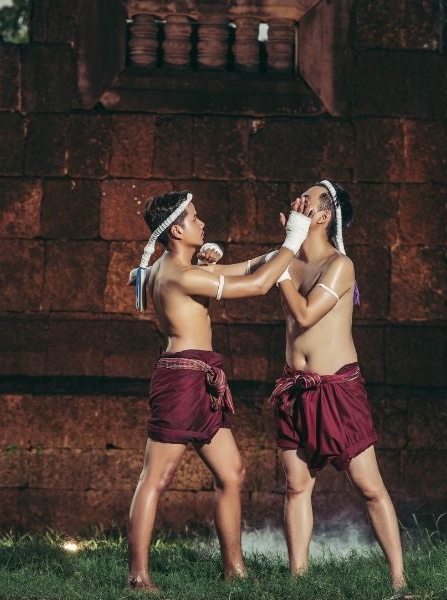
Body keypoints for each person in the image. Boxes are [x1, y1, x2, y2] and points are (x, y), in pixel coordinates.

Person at [125, 190, 314, 592]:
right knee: (155, 478)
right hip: (180, 380)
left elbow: (247, 267)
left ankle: (235, 569)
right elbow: (260, 285)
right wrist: (293, 238)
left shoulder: (176, 267)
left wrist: (280, 249)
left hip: (202, 378)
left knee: (232, 473)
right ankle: (138, 578)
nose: (202, 223)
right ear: (177, 230)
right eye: (195, 218)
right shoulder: (179, 274)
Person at [263, 180, 409, 593]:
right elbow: (240, 275)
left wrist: (281, 264)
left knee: (369, 488)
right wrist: (201, 263)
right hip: (294, 388)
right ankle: (298, 581)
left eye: (304, 201)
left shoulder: (339, 265)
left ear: (323, 216)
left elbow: (307, 314)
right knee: (296, 486)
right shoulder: (286, 259)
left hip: (338, 391)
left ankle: (399, 581)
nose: (295, 202)